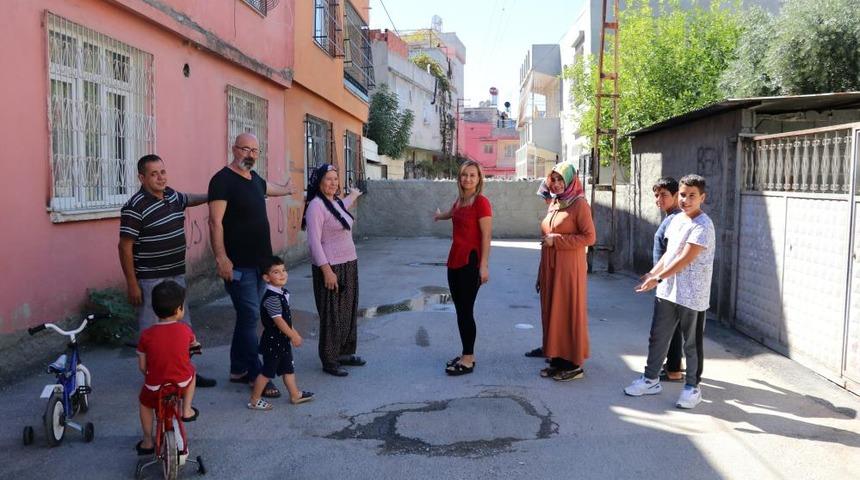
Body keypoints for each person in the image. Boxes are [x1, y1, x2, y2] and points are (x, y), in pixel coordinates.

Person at [119, 154, 216, 388]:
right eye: (154, 174)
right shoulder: (134, 207)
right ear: (142, 178)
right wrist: (132, 284)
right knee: (153, 334)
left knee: (182, 329)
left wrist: (214, 195)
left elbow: (189, 198)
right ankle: (156, 380)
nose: (161, 178)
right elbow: (124, 247)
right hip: (150, 280)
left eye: (163, 172)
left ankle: (186, 374)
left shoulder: (172, 195)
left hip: (176, 276)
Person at [208, 133, 293, 397]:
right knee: (251, 316)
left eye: (255, 150)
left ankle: (238, 369)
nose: (250, 154)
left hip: (260, 264)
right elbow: (215, 222)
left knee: (247, 317)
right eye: (245, 149)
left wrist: (287, 189)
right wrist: (221, 258)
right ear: (234, 149)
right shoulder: (222, 180)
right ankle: (257, 374)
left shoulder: (254, 179)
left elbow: (269, 188)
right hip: (238, 265)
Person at [625, 174, 715, 409]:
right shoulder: (677, 220)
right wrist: (652, 274)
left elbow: (685, 258)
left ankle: (692, 388)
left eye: (692, 195)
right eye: (683, 195)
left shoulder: (703, 225)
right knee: (658, 337)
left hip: (692, 294)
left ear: (702, 198)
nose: (686, 200)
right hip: (668, 291)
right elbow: (670, 254)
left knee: (691, 344)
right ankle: (650, 380)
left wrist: (658, 278)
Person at [535, 161, 596, 381]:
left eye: (560, 179)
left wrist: (558, 241)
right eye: (553, 179)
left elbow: (589, 237)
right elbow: (547, 237)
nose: (556, 183)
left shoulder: (579, 204)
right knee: (553, 312)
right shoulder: (555, 202)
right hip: (551, 267)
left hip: (569, 269)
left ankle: (574, 365)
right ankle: (558, 360)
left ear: (570, 180)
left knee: (568, 311)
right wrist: (541, 273)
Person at [302, 164, 364, 377]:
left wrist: (353, 195)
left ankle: (344, 352)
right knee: (332, 315)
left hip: (349, 263)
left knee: (348, 311)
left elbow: (341, 208)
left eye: (336, 179)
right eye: (328, 179)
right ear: (319, 182)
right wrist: (327, 271)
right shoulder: (316, 206)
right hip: (330, 266)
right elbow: (314, 243)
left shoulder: (334, 202)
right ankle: (329, 360)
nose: (333, 183)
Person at [433, 160, 493, 376]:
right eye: (464, 175)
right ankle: (466, 353)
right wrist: (439, 216)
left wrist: (483, 266)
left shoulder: (481, 203)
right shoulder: (460, 200)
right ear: (459, 178)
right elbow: (452, 213)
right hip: (454, 261)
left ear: (479, 179)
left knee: (466, 311)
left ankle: (468, 358)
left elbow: (486, 236)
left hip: (471, 263)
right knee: (460, 310)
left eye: (472, 175)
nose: (467, 178)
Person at [135, 280, 198, 456]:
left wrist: (150, 372)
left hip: (155, 386)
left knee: (145, 403)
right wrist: (194, 345)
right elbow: (194, 344)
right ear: (179, 310)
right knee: (192, 372)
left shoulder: (146, 335)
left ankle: (147, 441)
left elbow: (142, 367)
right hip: (181, 384)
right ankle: (187, 409)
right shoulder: (185, 330)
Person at [248, 256, 314, 410]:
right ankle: (254, 400)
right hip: (273, 342)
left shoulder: (281, 294)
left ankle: (295, 394)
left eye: (283, 270)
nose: (282, 274)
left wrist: (294, 332)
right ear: (266, 278)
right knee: (266, 373)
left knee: (288, 368)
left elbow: (286, 320)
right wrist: (293, 335)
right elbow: (279, 321)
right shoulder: (272, 298)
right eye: (276, 272)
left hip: (282, 341)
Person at [651, 177, 685, 382]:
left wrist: (657, 277)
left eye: (664, 195)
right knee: (674, 327)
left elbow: (672, 254)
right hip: (667, 280)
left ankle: (673, 369)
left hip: (669, 281)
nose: (659, 199)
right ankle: (675, 365)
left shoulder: (675, 219)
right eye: (657, 195)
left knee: (668, 328)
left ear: (675, 196)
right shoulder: (672, 217)